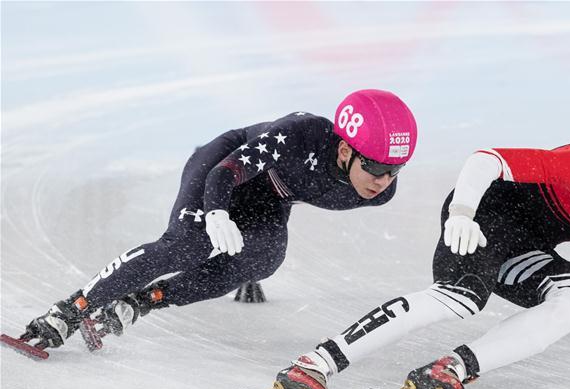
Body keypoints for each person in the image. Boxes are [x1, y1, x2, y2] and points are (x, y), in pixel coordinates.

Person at [267, 98, 570, 389]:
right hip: (484, 214)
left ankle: (449, 369)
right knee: (462, 296)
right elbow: (487, 159)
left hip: (527, 244)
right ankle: (313, 365)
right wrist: (462, 214)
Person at [15, 89, 418, 353]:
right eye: (377, 167)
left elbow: (293, 191)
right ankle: (69, 309)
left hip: (271, 193)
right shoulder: (298, 135)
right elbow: (225, 172)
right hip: (224, 165)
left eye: (395, 171)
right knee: (186, 245)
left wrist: (249, 266)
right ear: (346, 150)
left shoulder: (376, 192)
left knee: (267, 258)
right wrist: (218, 212)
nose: (382, 182)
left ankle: (141, 301)